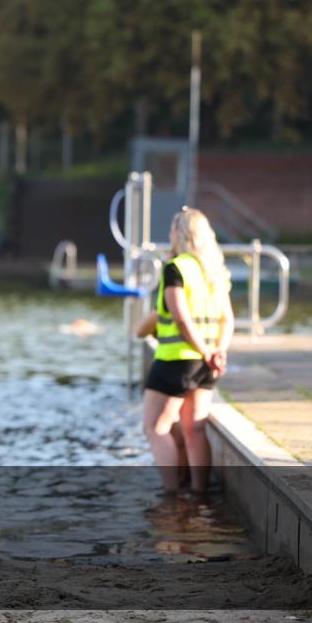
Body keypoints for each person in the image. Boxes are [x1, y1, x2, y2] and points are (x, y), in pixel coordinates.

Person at [141, 207, 234, 495]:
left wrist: (205, 350)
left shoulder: (175, 268)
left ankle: (172, 496)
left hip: (176, 362)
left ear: (179, 234)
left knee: (156, 428)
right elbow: (227, 319)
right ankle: (199, 494)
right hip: (206, 365)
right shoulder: (214, 272)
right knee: (194, 429)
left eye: (171, 229)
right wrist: (218, 351)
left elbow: (180, 317)